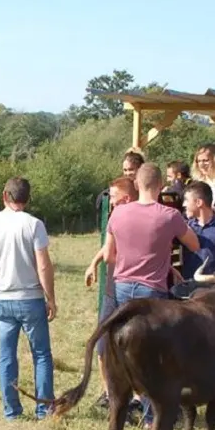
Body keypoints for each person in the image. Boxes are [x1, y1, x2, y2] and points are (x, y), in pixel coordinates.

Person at [103, 162, 200, 428]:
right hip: (152, 291)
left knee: (126, 350)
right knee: (154, 356)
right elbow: (194, 243)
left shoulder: (118, 214)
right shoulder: (169, 216)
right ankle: (151, 416)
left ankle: (121, 408)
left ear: (136, 184)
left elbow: (109, 255)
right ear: (160, 186)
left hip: (122, 286)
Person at [0, 177, 57, 421]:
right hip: (31, 297)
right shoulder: (34, 225)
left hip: (3, 298)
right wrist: (51, 298)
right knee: (41, 354)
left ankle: (12, 411)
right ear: (28, 198)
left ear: (4, 196)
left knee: (6, 355)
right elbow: (43, 265)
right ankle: (44, 409)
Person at [84, 175, 137, 409]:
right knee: (103, 344)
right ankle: (109, 393)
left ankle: (136, 396)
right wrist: (94, 263)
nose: (110, 201)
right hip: (111, 288)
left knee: (127, 346)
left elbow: (111, 254)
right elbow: (107, 251)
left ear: (126, 198)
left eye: (113, 197)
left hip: (127, 286)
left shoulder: (136, 217)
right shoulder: (114, 217)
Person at [170, 181, 215, 300]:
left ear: (199, 202)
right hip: (189, 293)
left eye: (186, 200)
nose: (183, 204)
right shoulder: (185, 228)